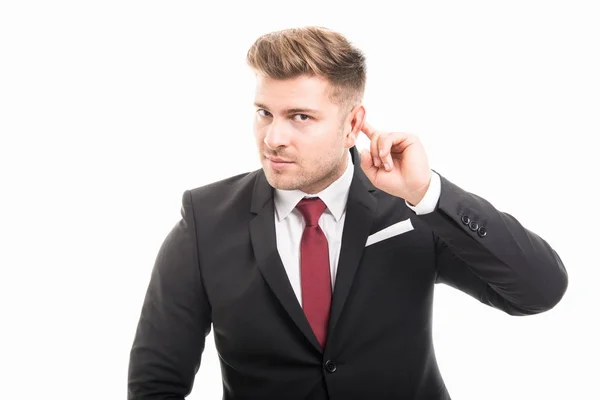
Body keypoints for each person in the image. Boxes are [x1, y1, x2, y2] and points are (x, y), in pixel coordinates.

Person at [127, 26, 568, 400]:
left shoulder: (413, 209)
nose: (273, 138)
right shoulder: (205, 220)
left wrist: (426, 192)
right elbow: (156, 383)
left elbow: (539, 290)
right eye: (265, 113)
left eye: (300, 117)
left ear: (353, 125)